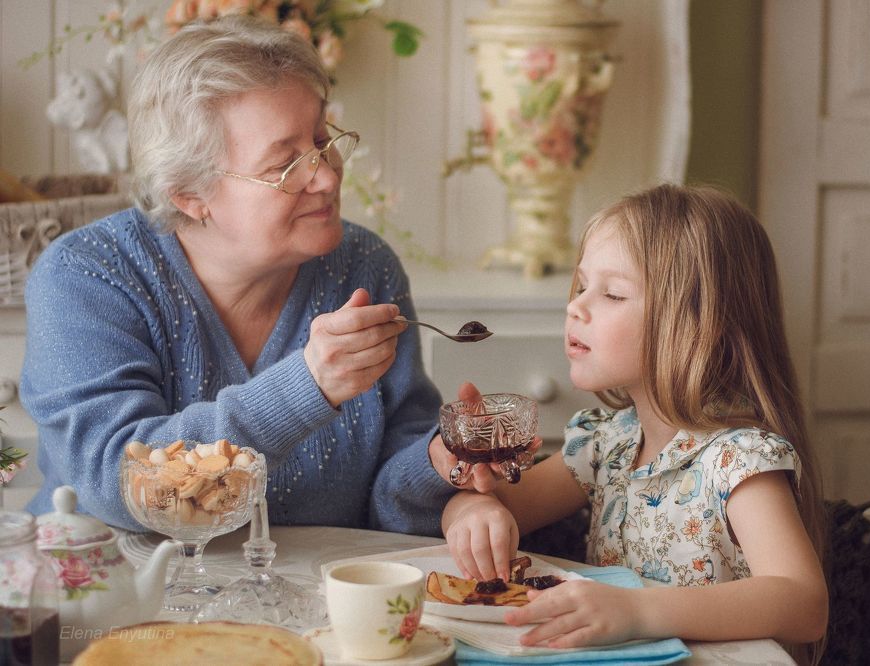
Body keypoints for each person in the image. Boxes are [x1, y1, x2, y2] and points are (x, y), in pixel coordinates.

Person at [21, 15, 460, 534]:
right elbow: (118, 479)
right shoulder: (87, 275)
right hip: (120, 582)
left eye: (322, 139)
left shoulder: (364, 265)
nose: (325, 176)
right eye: (284, 165)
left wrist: (441, 464)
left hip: (315, 586)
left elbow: (389, 500)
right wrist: (309, 386)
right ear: (190, 195)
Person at [441, 183, 829, 659]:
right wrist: (474, 511)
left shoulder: (738, 460)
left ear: (698, 325)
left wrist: (637, 611)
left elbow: (804, 603)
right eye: (581, 286)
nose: (575, 306)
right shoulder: (609, 442)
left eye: (612, 294)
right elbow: (501, 505)